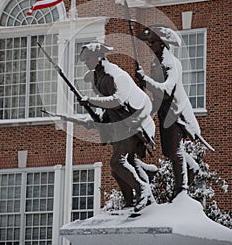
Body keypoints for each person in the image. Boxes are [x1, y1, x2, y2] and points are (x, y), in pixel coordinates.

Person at [77, 42, 157, 212]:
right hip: (121, 126)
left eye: (89, 58)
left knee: (117, 162)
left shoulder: (115, 75)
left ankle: (143, 189)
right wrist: (95, 119)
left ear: (99, 56)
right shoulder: (99, 77)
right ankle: (131, 202)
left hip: (135, 124)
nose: (87, 62)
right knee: (123, 166)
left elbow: (117, 100)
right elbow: (107, 110)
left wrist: (90, 100)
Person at [136, 25, 201, 200]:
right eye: (149, 43)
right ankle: (192, 168)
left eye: (153, 43)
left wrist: (145, 79)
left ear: (163, 44)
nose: (150, 46)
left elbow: (166, 91)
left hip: (176, 113)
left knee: (176, 151)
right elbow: (156, 94)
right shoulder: (155, 64)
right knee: (169, 151)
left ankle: (182, 191)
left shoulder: (170, 63)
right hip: (164, 113)